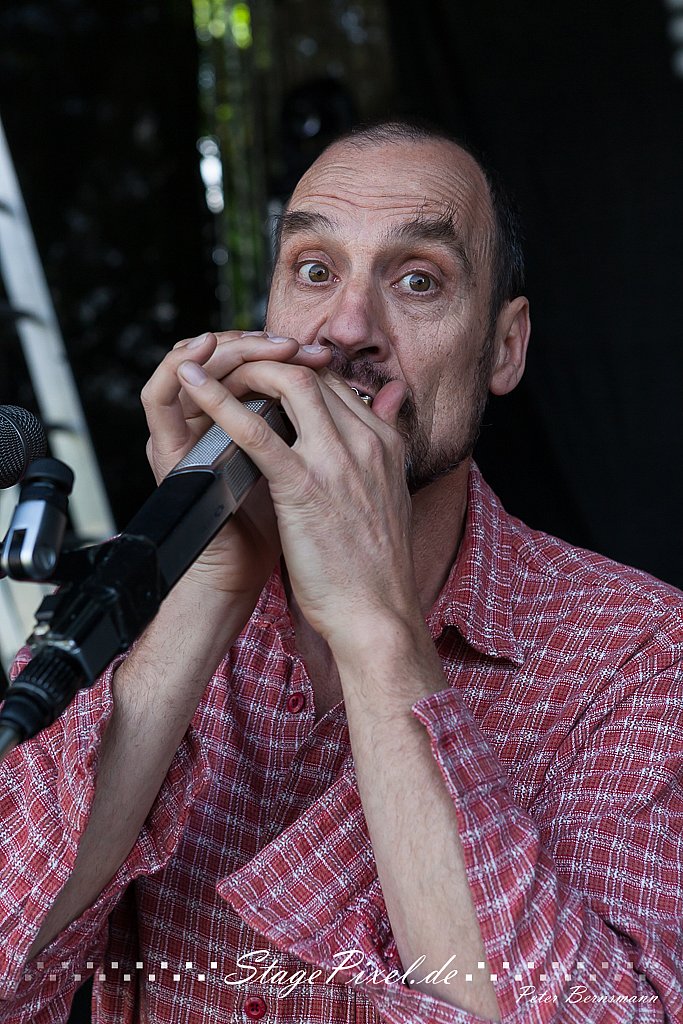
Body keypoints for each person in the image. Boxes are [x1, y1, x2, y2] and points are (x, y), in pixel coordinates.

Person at [1, 119, 682, 1024]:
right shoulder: (142, 599)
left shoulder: (639, 651)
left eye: (417, 280)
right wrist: (206, 585)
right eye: (314, 270)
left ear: (503, 348)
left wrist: (375, 629)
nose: (348, 329)